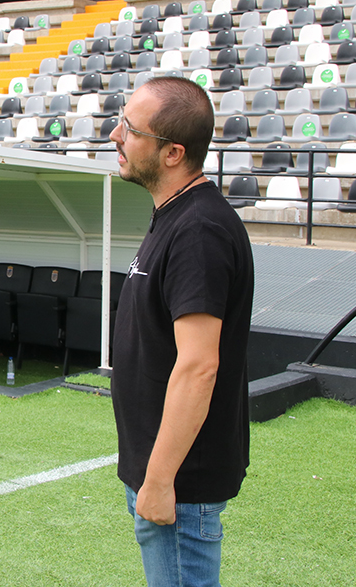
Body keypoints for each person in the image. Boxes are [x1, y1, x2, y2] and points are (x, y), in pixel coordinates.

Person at [108, 76, 254, 587]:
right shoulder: (174, 217)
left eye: (129, 127)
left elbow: (198, 366)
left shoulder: (198, 231)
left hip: (179, 485)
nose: (114, 135)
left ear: (172, 153)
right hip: (164, 475)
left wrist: (160, 479)